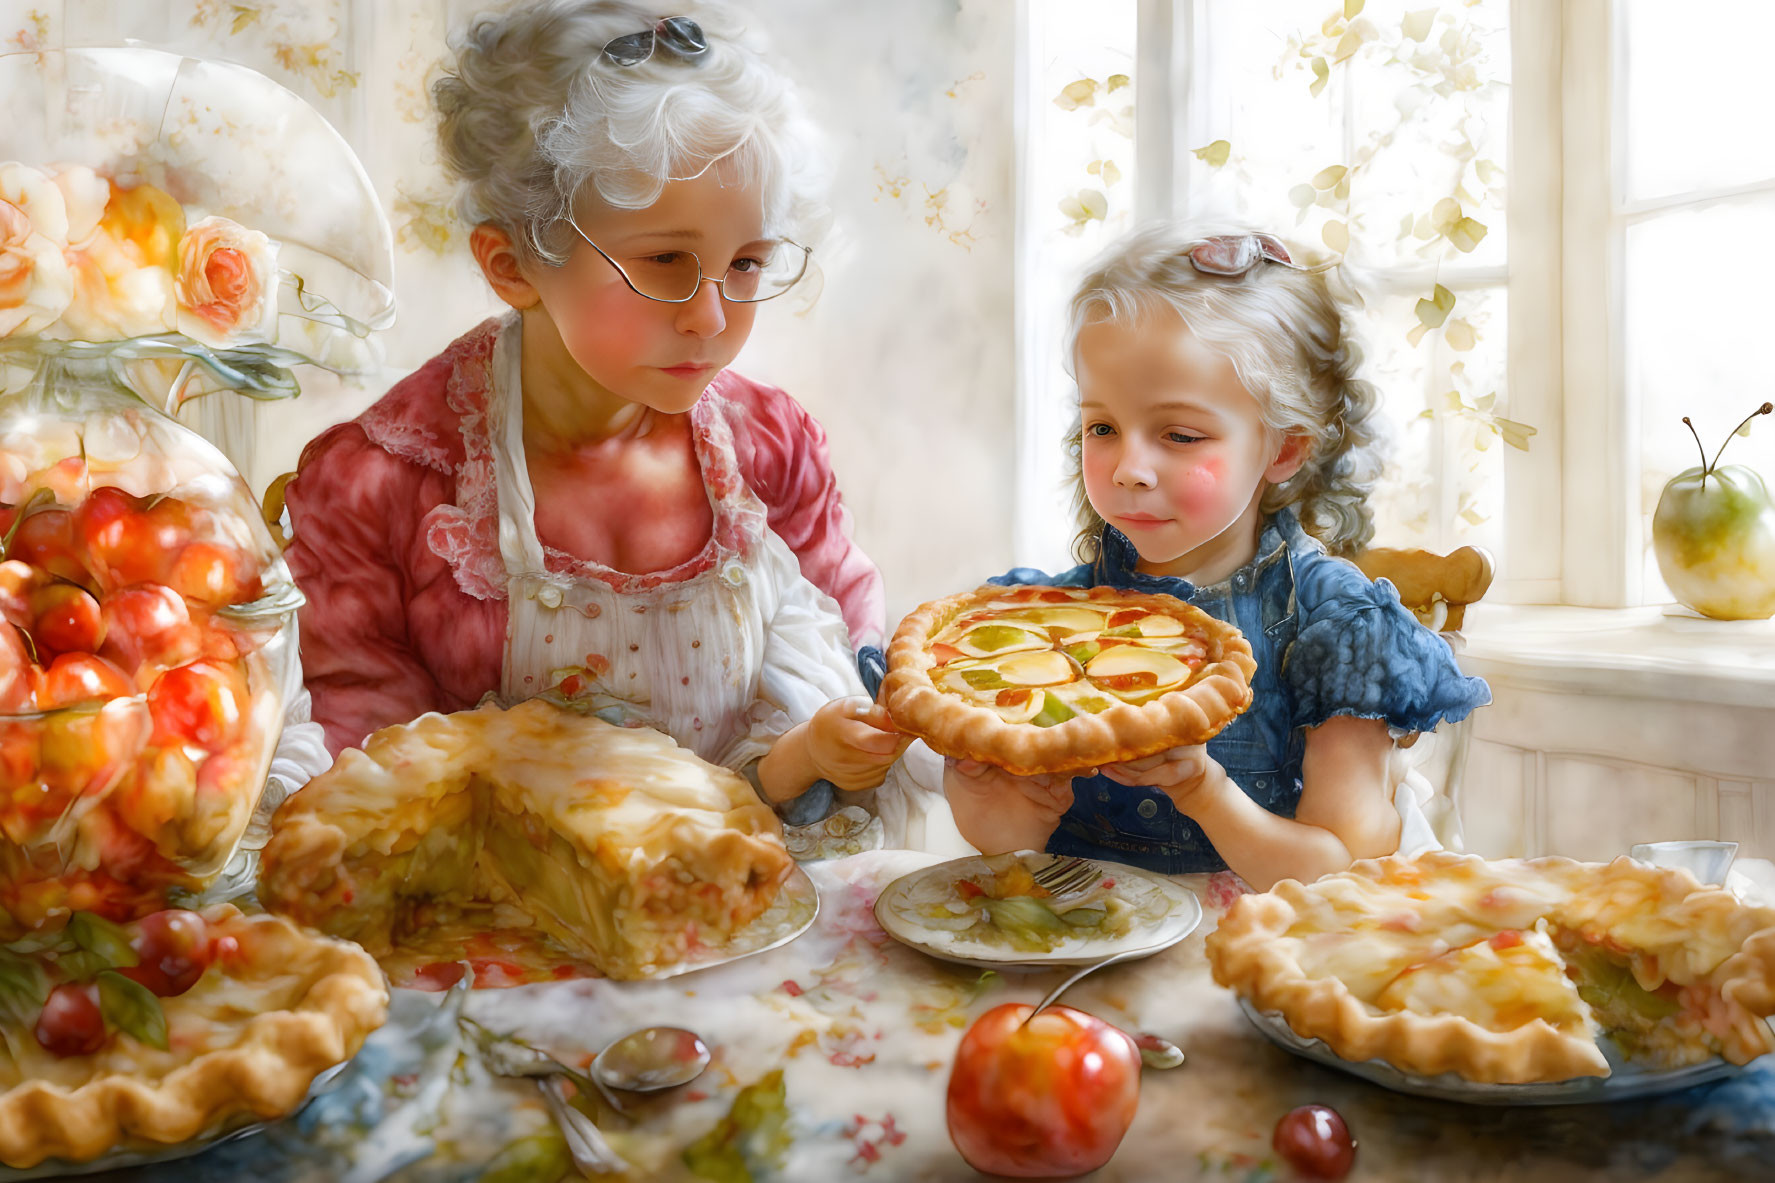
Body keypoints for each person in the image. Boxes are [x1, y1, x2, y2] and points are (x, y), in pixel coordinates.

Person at [282, 0, 909, 818]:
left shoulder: (767, 451)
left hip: (756, 894)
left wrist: (842, 745)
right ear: (512, 266)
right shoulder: (383, 483)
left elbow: (846, 674)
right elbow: (361, 778)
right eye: (665, 262)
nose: (710, 319)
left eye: (747, 263)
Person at [944, 223, 1491, 890]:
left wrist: (1204, 789)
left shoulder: (1336, 631)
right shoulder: (1050, 625)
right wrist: (992, 809)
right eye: (1102, 428)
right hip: (1090, 950)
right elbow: (1018, 850)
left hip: (1264, 948)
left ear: (1284, 449)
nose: (1129, 469)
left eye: (1177, 434)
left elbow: (1348, 871)